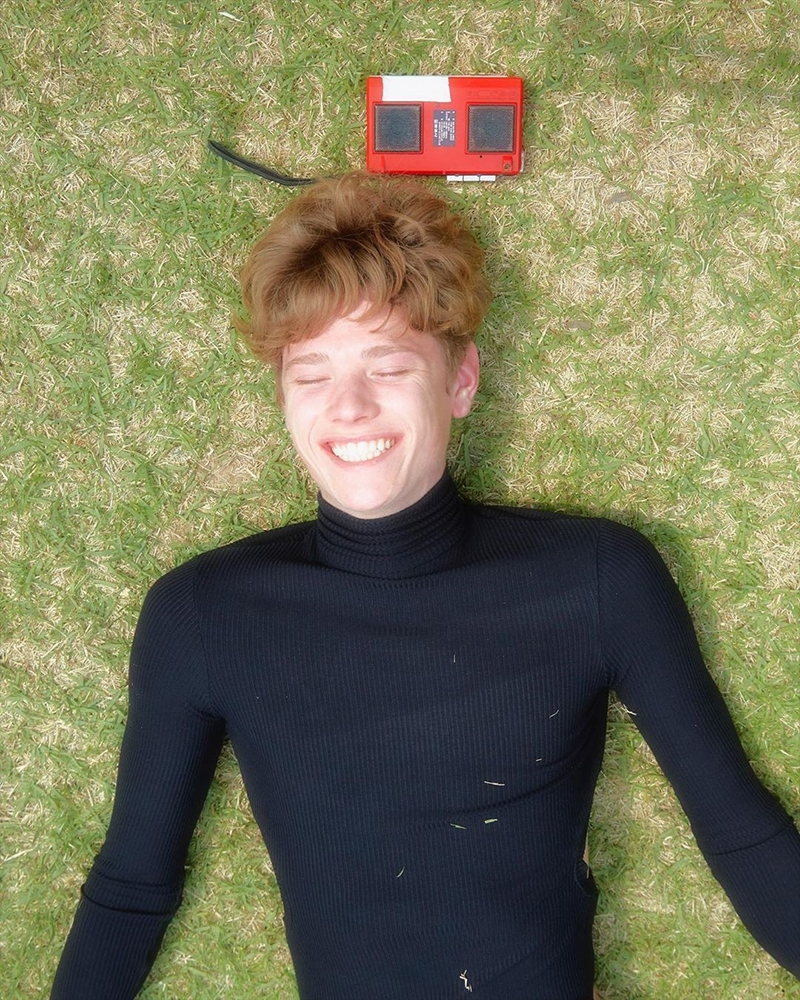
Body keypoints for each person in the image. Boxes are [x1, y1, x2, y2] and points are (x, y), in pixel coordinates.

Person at [51, 171, 800, 1000]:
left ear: (461, 379)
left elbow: (744, 837)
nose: (348, 407)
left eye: (388, 366)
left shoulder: (596, 579)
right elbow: (132, 887)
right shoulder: (205, 613)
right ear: (284, 399)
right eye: (311, 375)